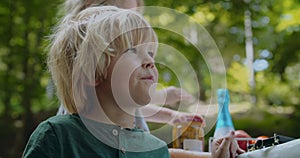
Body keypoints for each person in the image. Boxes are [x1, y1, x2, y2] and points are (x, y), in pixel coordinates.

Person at [23, 6, 243, 158]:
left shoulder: (156, 149)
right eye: (131, 51)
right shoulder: (57, 136)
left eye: (150, 53)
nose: (150, 61)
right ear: (91, 72)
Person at [56, 0, 204, 130]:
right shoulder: (64, 135)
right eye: (122, 12)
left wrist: (170, 114)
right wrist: (163, 99)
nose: (130, 22)